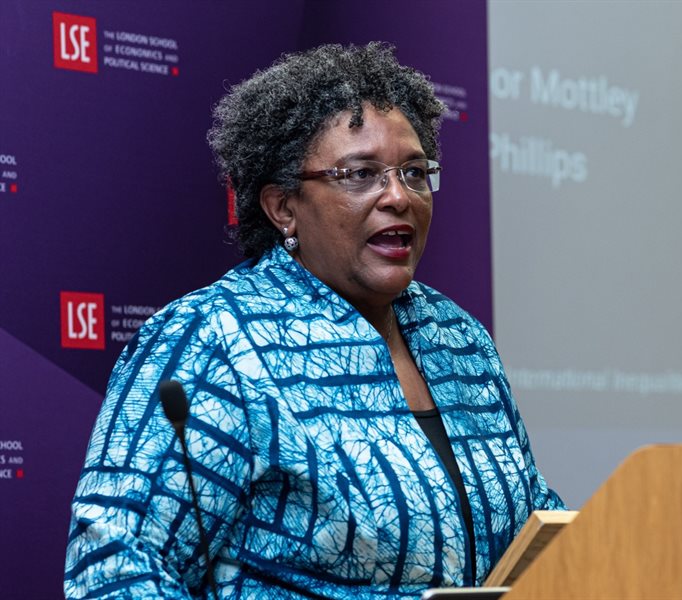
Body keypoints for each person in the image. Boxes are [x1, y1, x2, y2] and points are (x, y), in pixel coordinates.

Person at [63, 42, 564, 599]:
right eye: (360, 174)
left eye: (415, 172)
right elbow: (113, 564)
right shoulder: (213, 339)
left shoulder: (460, 339)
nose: (398, 196)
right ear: (283, 207)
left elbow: (538, 532)